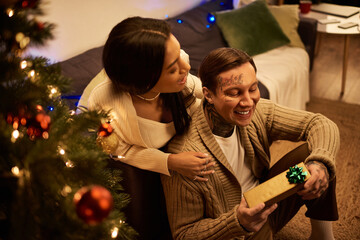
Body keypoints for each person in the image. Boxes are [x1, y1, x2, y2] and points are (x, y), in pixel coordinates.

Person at [161, 47, 340, 240]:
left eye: (253, 88)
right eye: (234, 93)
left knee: (316, 156)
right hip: (235, 231)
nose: (248, 102)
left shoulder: (258, 110)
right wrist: (237, 223)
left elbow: (320, 124)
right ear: (209, 95)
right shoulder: (186, 155)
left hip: (269, 200)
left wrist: (320, 164)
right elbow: (184, 234)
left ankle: (322, 237)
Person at [80, 16, 215, 180]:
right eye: (172, 69)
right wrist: (170, 161)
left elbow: (210, 94)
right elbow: (121, 151)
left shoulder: (181, 75)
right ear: (144, 78)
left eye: (179, 53)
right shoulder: (108, 105)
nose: (186, 66)